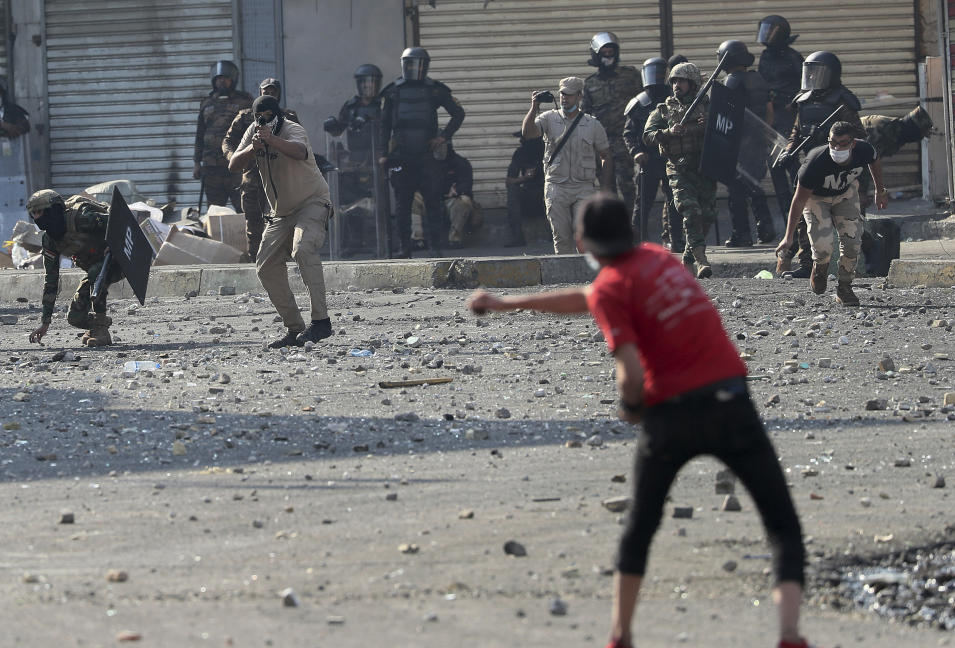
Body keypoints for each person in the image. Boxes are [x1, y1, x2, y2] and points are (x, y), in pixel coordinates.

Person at [467, 193, 809, 648]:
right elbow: (593, 297)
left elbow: (626, 365)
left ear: (581, 240)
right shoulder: (660, 258)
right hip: (732, 402)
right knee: (782, 525)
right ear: (629, 230)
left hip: (671, 416)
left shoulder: (611, 287)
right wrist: (509, 304)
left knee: (642, 527)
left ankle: (621, 635)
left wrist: (630, 408)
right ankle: (788, 634)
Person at [229, 95, 334, 348]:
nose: (263, 122)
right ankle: (295, 329)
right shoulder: (254, 131)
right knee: (265, 266)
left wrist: (272, 140)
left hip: (312, 203)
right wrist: (253, 147)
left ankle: (321, 322)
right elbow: (234, 164)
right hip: (281, 213)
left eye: (268, 116)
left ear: (277, 115)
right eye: (259, 117)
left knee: (303, 248)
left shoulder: (292, 128)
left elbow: (300, 151)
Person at [776, 121, 887, 307]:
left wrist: (880, 190)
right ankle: (820, 268)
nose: (837, 148)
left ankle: (844, 287)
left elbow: (874, 161)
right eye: (833, 142)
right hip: (816, 198)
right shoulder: (815, 161)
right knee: (823, 248)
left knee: (852, 242)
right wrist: (788, 237)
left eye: (843, 143)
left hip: (845, 193)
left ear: (853, 143)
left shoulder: (864, 150)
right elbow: (798, 201)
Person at [774, 51, 864, 278]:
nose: (813, 78)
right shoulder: (804, 101)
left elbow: (859, 136)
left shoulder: (842, 102)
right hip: (812, 165)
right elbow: (796, 133)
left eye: (818, 73)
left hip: (838, 168)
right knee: (807, 217)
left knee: (846, 222)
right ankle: (808, 265)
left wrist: (829, 135)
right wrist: (788, 152)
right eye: (810, 73)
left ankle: (857, 264)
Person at [379, 47, 465, 258]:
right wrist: (383, 154)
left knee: (433, 203)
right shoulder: (393, 91)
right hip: (401, 156)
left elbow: (458, 114)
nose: (414, 69)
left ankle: (436, 248)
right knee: (402, 205)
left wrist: (443, 137)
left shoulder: (435, 90)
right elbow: (384, 126)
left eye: (418, 64)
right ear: (403, 65)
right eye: (410, 64)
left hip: (427, 156)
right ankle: (404, 249)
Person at [522, 76, 612, 254]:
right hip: (557, 186)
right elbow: (528, 133)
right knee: (561, 237)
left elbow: (606, 155)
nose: (564, 98)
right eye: (562, 94)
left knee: (584, 235)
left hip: (583, 187)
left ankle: (587, 277)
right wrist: (534, 108)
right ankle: (566, 281)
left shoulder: (592, 124)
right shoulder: (548, 118)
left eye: (569, 95)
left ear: (579, 96)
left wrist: (605, 188)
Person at [643, 62, 716, 278]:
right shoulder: (663, 109)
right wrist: (668, 132)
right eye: (673, 81)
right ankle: (702, 261)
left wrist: (709, 122)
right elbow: (647, 135)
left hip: (704, 167)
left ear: (692, 83)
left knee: (708, 215)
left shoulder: (707, 106)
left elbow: (726, 126)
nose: (676, 85)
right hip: (678, 168)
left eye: (681, 81)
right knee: (690, 211)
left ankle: (687, 258)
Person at [25, 190, 123, 348]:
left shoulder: (80, 219)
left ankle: (101, 330)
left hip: (117, 261)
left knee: (95, 272)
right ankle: (98, 325)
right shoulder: (50, 241)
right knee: (75, 317)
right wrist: (45, 323)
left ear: (53, 210)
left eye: (40, 212)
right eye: (33, 214)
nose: (36, 217)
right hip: (95, 271)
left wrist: (113, 243)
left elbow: (117, 221)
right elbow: (51, 281)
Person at [223, 77, 299, 261]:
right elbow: (227, 142)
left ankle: (281, 264)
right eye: (266, 92)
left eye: (273, 92)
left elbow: (299, 144)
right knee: (254, 226)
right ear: (260, 93)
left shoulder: (288, 117)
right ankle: (256, 264)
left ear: (279, 95)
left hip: (279, 180)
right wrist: (235, 157)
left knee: (281, 223)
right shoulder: (245, 117)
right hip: (252, 179)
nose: (269, 95)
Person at [717, 40, 777, 247]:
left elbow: (725, 114)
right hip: (758, 142)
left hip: (739, 145)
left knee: (736, 191)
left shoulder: (731, 81)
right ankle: (766, 229)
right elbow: (769, 111)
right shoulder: (758, 78)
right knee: (754, 186)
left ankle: (741, 234)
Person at [323, 64, 383, 256]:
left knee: (377, 203)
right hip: (355, 161)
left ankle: (380, 245)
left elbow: (390, 127)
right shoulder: (351, 106)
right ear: (359, 85)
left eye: (372, 83)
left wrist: (371, 122)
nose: (368, 87)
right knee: (350, 202)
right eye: (364, 83)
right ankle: (353, 243)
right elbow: (340, 129)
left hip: (377, 158)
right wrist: (333, 125)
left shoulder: (383, 104)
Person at [623, 56, 681, 249]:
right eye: (652, 72)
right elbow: (629, 133)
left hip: (670, 158)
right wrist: (636, 152)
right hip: (648, 160)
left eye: (659, 73)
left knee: (674, 200)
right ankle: (638, 243)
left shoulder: (674, 99)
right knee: (642, 204)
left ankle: (676, 240)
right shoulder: (639, 102)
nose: (656, 77)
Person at [583, 32, 644, 213]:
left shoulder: (631, 76)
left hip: (626, 140)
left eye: (611, 53)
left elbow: (644, 101)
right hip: (602, 143)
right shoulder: (590, 84)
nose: (608, 57)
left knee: (627, 184)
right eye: (604, 53)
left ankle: (635, 225)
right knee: (607, 188)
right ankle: (615, 227)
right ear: (596, 55)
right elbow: (585, 114)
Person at [756, 15, 805, 224]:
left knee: (792, 163)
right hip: (771, 116)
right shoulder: (765, 56)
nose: (767, 35)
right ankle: (787, 216)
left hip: (789, 116)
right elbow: (761, 84)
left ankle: (801, 213)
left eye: (771, 31)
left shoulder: (794, 57)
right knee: (774, 166)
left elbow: (806, 85)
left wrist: (794, 102)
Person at [194, 60, 253, 212]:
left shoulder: (245, 101)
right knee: (214, 212)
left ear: (232, 80)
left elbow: (252, 130)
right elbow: (200, 134)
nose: (222, 81)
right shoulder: (206, 103)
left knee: (244, 210)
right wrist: (196, 163)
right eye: (219, 78)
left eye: (225, 78)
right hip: (211, 169)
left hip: (236, 167)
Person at [504, 130, 545, 247]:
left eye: (524, 138)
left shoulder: (548, 152)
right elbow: (509, 181)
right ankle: (517, 237)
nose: (521, 141)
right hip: (531, 197)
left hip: (549, 194)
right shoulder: (520, 154)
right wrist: (524, 178)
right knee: (513, 191)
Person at [862, 105, 933, 159]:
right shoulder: (885, 130)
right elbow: (866, 159)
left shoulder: (898, 135)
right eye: (920, 135)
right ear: (913, 130)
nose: (920, 138)